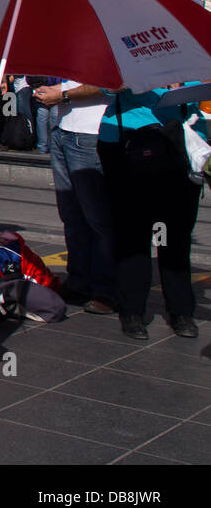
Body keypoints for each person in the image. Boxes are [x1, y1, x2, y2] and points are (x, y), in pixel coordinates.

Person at [96, 85, 206, 340]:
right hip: (128, 140)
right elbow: (106, 86)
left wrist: (181, 82)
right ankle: (132, 310)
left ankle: (181, 311)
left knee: (176, 235)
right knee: (132, 233)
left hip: (182, 142)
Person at [35, 80, 115, 314]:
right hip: (63, 128)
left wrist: (64, 95)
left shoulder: (105, 44)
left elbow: (110, 82)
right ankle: (79, 281)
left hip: (89, 132)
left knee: (97, 217)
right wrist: (53, 91)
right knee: (71, 214)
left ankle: (105, 289)